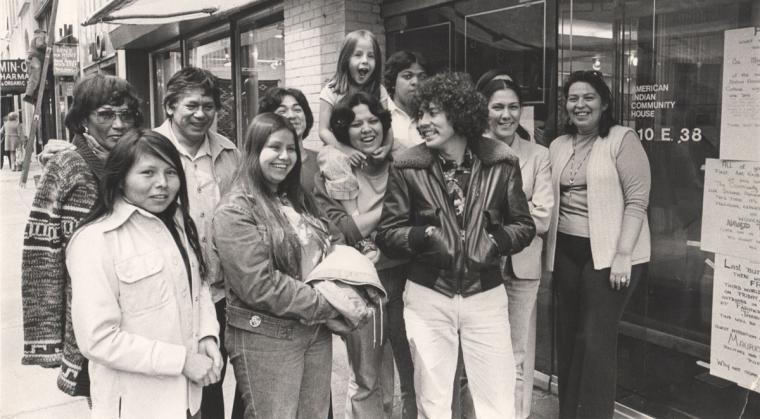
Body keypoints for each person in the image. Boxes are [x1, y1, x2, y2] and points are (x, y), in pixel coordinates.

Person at [376, 72, 536, 419]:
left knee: (497, 403)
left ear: (459, 114)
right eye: (421, 114)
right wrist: (426, 237)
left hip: (485, 295)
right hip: (428, 296)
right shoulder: (407, 166)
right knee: (433, 404)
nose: (423, 122)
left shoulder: (501, 161)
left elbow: (524, 225)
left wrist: (493, 242)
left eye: (433, 112)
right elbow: (388, 234)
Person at [213, 113, 361, 418]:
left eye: (291, 149)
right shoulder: (235, 209)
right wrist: (328, 303)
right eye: (275, 147)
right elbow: (258, 285)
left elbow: (331, 239)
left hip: (313, 330)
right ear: (254, 151)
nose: (284, 157)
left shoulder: (296, 197)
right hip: (267, 335)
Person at [67, 129, 221, 418]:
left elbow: (198, 287)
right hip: (138, 405)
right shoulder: (96, 239)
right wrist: (182, 361)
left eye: (170, 172)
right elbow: (97, 339)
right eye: (147, 173)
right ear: (121, 178)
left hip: (189, 399)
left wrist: (207, 337)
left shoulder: (176, 224)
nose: (162, 184)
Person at [21, 74, 141, 397]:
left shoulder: (141, 161)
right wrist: (47, 339)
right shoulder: (66, 167)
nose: (118, 124)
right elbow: (42, 251)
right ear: (83, 119)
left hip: (143, 313)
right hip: (92, 320)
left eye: (125, 115)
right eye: (105, 115)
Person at [545, 70, 651, 419]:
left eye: (588, 97)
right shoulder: (559, 145)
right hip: (568, 252)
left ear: (604, 102)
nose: (580, 105)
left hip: (612, 254)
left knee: (596, 341)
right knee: (570, 338)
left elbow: (638, 200)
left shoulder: (622, 139)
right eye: (573, 98)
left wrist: (623, 254)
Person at [314, 91, 414, 419]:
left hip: (404, 278)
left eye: (373, 120)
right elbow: (346, 229)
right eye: (356, 124)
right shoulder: (333, 166)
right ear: (344, 130)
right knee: (369, 378)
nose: (366, 129)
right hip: (363, 285)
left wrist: (392, 146)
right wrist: (393, 207)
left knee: (414, 372)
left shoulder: (402, 159)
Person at [151, 66, 242, 419]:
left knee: (216, 380)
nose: (201, 113)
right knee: (182, 389)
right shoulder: (149, 150)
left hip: (223, 290)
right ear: (170, 106)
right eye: (191, 105)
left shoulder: (229, 152)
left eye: (208, 105)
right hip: (176, 293)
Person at [479, 75, 554, 419]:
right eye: (498, 107)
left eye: (513, 107)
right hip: (480, 266)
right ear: (486, 110)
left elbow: (542, 218)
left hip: (523, 269)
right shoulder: (474, 151)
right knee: (481, 352)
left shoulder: (539, 155)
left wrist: (496, 224)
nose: (506, 114)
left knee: (516, 356)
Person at [318, 29, 393, 218]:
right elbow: (323, 130)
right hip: (340, 145)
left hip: (370, 144)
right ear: (345, 60)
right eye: (357, 55)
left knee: (404, 152)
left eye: (371, 56)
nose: (365, 61)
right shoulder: (332, 90)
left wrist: (387, 147)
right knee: (332, 159)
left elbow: (387, 125)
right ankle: (353, 213)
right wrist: (346, 150)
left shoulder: (379, 90)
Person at [258, 86, 319, 192]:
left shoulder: (322, 161)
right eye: (282, 111)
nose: (292, 115)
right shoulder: (265, 164)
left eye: (297, 110)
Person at [384, 50, 427, 150]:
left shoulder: (431, 119)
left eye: (422, 77)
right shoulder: (380, 115)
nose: (416, 82)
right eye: (408, 76)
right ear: (393, 82)